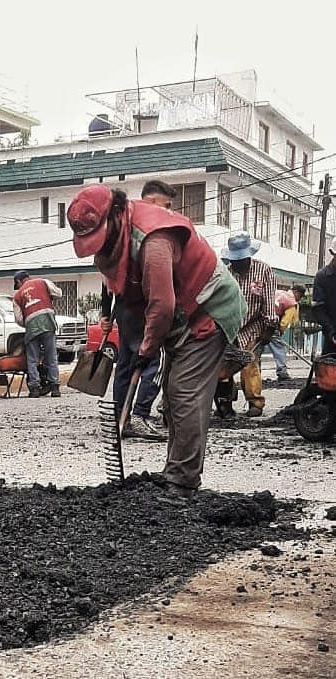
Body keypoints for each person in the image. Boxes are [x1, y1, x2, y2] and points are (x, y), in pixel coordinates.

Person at [67, 185, 245, 498]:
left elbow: (160, 306)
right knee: (174, 394)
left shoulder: (153, 241)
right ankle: (176, 472)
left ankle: (182, 482)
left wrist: (146, 349)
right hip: (180, 315)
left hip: (208, 309)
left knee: (184, 393)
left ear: (118, 214)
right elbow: (131, 296)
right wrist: (140, 346)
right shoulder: (117, 243)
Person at [101, 180, 177, 440]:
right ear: (153, 201)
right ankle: (140, 414)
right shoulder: (148, 229)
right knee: (156, 359)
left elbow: (106, 273)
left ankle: (119, 418)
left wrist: (105, 312)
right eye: (167, 205)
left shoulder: (122, 226)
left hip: (123, 308)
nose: (169, 211)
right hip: (140, 307)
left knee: (125, 362)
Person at [218, 233, 277, 418]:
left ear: (248, 256)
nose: (236, 263)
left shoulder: (264, 271)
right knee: (225, 367)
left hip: (253, 327)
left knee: (249, 362)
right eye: (234, 260)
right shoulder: (226, 273)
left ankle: (255, 402)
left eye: (240, 259)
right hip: (229, 327)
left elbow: (268, 302)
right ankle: (225, 401)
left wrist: (269, 328)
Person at [12, 270, 62, 398]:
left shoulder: (17, 296)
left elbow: (18, 319)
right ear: (28, 277)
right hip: (48, 323)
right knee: (51, 356)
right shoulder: (43, 282)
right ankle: (55, 387)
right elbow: (58, 293)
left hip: (32, 328)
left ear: (18, 281)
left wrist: (29, 323)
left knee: (32, 359)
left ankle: (34, 388)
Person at [269, 284, 305, 381]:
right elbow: (285, 322)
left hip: (260, 319)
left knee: (257, 347)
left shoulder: (279, 292)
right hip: (271, 324)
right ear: (296, 292)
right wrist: (280, 331)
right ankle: (282, 371)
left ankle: (255, 372)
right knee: (279, 347)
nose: (299, 299)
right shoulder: (291, 303)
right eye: (300, 296)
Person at [313, 237, 336, 356]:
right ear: (333, 254)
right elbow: (318, 308)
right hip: (332, 337)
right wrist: (330, 330)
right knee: (330, 371)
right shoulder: (322, 277)